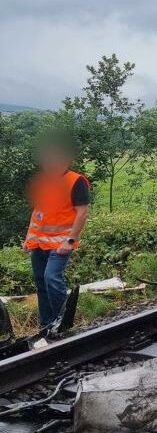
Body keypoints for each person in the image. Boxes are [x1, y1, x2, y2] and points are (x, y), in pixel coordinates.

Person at [22, 138, 90, 328]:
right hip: (40, 244)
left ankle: (63, 322)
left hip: (61, 244)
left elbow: (82, 212)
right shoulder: (43, 182)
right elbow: (38, 213)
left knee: (51, 278)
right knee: (41, 284)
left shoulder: (75, 181)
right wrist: (29, 240)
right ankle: (47, 325)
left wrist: (70, 240)